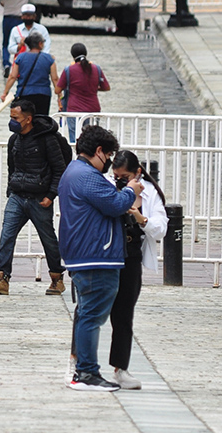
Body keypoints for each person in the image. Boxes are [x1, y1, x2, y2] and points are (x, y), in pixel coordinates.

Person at [58, 125, 142, 392]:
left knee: (86, 314)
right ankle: (86, 373)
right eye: (108, 156)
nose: (108, 162)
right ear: (98, 151)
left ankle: (84, 370)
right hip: (95, 256)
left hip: (86, 254)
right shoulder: (87, 176)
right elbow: (116, 205)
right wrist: (130, 190)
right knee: (92, 315)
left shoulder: (73, 171)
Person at [0, 99, 67, 296]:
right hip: (18, 196)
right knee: (6, 236)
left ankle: (56, 278)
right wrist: (10, 191)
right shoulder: (14, 140)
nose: (12, 121)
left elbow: (59, 169)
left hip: (40, 198)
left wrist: (50, 195)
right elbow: (12, 168)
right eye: (11, 117)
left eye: (16, 118)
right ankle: (1, 278)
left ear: (28, 119)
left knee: (48, 240)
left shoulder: (48, 139)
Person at [107, 150, 168, 390]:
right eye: (117, 176)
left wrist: (141, 218)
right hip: (108, 254)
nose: (121, 181)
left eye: (126, 176)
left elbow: (161, 229)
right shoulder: (108, 188)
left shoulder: (151, 194)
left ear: (138, 173)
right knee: (93, 311)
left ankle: (120, 368)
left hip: (131, 257)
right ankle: (80, 364)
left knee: (124, 315)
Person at [56, 43, 111, 141]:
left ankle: (77, 156)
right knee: (92, 138)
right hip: (93, 109)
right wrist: (93, 88)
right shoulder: (96, 69)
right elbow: (106, 87)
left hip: (74, 110)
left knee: (75, 138)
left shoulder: (69, 70)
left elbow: (57, 90)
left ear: (72, 55)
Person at [3, 32, 57, 116]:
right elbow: (55, 78)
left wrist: (5, 93)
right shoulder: (49, 59)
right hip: (43, 94)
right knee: (42, 120)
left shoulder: (20, 57)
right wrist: (60, 95)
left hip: (25, 93)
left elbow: (12, 76)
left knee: (26, 120)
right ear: (40, 44)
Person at [0, 0, 33, 76]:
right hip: (19, 19)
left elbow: (2, 2)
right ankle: (18, 65)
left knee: (6, 43)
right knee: (20, 43)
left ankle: (6, 64)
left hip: (7, 17)